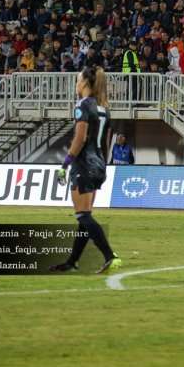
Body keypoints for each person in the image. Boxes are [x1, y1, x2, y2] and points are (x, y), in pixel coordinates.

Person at [51, 67, 121, 274]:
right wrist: (103, 166)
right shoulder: (104, 108)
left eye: (77, 80)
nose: (76, 84)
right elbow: (107, 143)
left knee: (83, 215)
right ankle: (72, 261)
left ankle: (109, 255)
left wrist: (65, 165)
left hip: (83, 165)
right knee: (85, 216)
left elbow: (80, 139)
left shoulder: (82, 105)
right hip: (99, 164)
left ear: (83, 83)